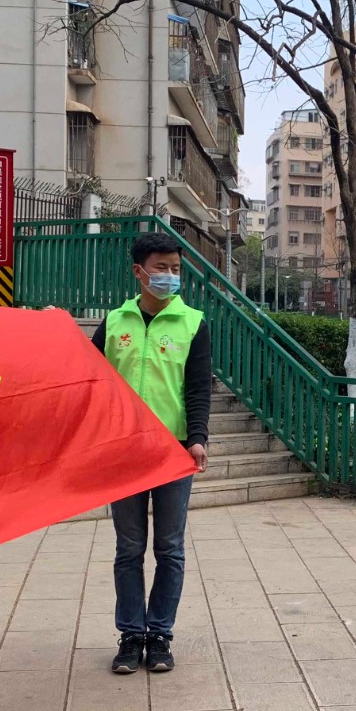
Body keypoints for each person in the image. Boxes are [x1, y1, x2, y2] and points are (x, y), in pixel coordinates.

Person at [91, 232, 210, 675]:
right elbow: (82, 371)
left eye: (176, 269)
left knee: (169, 548)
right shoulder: (114, 322)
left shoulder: (193, 323)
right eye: (161, 268)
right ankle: (130, 635)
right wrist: (54, 330)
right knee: (129, 548)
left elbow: (197, 388)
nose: (170, 276)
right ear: (139, 272)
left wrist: (197, 437)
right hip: (123, 450)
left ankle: (159, 634)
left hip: (172, 451)